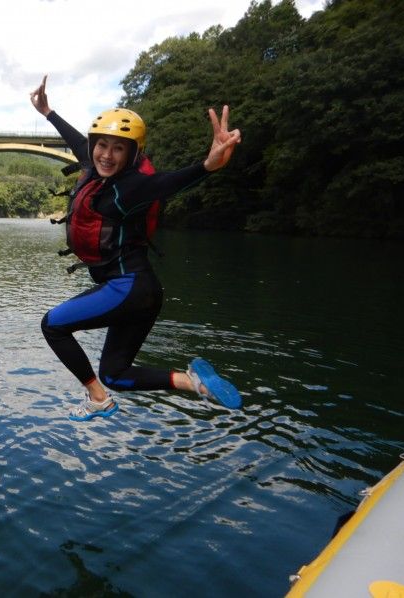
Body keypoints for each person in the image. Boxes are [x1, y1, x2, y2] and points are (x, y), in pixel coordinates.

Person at [29, 75, 243, 421]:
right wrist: (49, 112)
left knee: (52, 325)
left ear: (132, 154)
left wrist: (208, 166)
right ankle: (194, 383)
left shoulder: (129, 188)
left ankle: (98, 399)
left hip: (127, 288)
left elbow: (168, 182)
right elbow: (78, 144)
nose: (106, 155)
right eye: (102, 145)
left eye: (118, 148)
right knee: (116, 373)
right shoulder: (98, 167)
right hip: (144, 293)